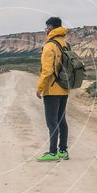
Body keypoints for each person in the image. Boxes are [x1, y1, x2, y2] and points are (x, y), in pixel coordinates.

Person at [35, 17, 70, 162]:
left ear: (51, 28)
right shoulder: (65, 44)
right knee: (62, 120)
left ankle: (52, 153)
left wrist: (40, 88)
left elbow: (47, 71)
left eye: (46, 27)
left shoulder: (50, 46)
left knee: (52, 122)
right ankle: (63, 151)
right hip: (64, 88)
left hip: (52, 89)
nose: (46, 30)